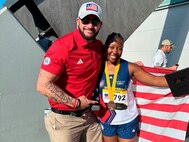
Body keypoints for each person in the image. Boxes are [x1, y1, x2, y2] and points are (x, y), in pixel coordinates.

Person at [36, 2, 103, 142]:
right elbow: (42, 85)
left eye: (94, 21)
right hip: (64, 120)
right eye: (86, 20)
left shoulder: (98, 47)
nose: (90, 25)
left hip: (87, 116)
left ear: (100, 25)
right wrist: (75, 103)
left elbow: (112, 60)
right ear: (78, 21)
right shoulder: (62, 47)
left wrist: (132, 66)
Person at [97, 32, 169, 142]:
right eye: (111, 47)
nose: (115, 52)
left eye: (119, 48)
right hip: (107, 120)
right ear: (106, 47)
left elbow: (155, 80)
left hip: (127, 121)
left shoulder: (130, 67)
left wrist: (182, 80)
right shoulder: (97, 67)